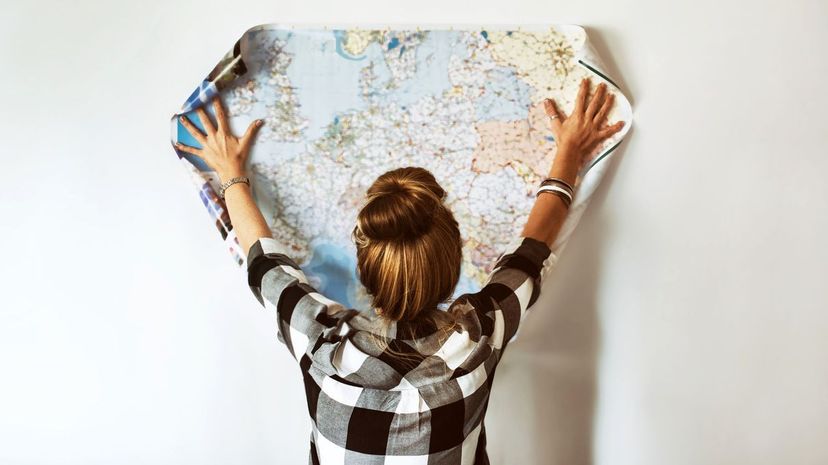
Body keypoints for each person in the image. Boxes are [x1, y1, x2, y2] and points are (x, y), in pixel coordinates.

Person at [176, 76, 624, 465]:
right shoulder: (480, 336)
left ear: (365, 265)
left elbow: (263, 263)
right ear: (452, 266)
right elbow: (531, 253)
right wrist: (569, 153)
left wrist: (232, 175)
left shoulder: (321, 343)